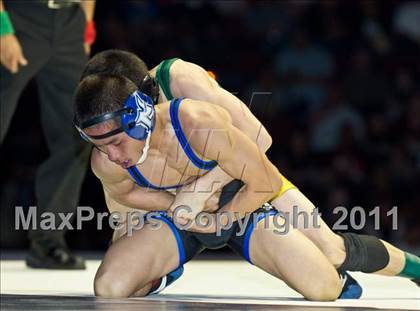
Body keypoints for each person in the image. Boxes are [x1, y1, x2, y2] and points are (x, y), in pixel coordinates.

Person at [80, 50, 419, 293]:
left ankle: (410, 267)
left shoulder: (181, 82)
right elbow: (122, 203)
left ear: (141, 99)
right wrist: (131, 248)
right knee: (121, 274)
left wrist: (201, 191)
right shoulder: (114, 142)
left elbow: (260, 138)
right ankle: (165, 271)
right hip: (182, 202)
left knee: (332, 250)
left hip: (241, 175)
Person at [0, 0, 96, 269]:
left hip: (70, 23)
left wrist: (86, 25)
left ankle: (48, 241)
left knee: (77, 135)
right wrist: (2, 28)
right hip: (19, 17)